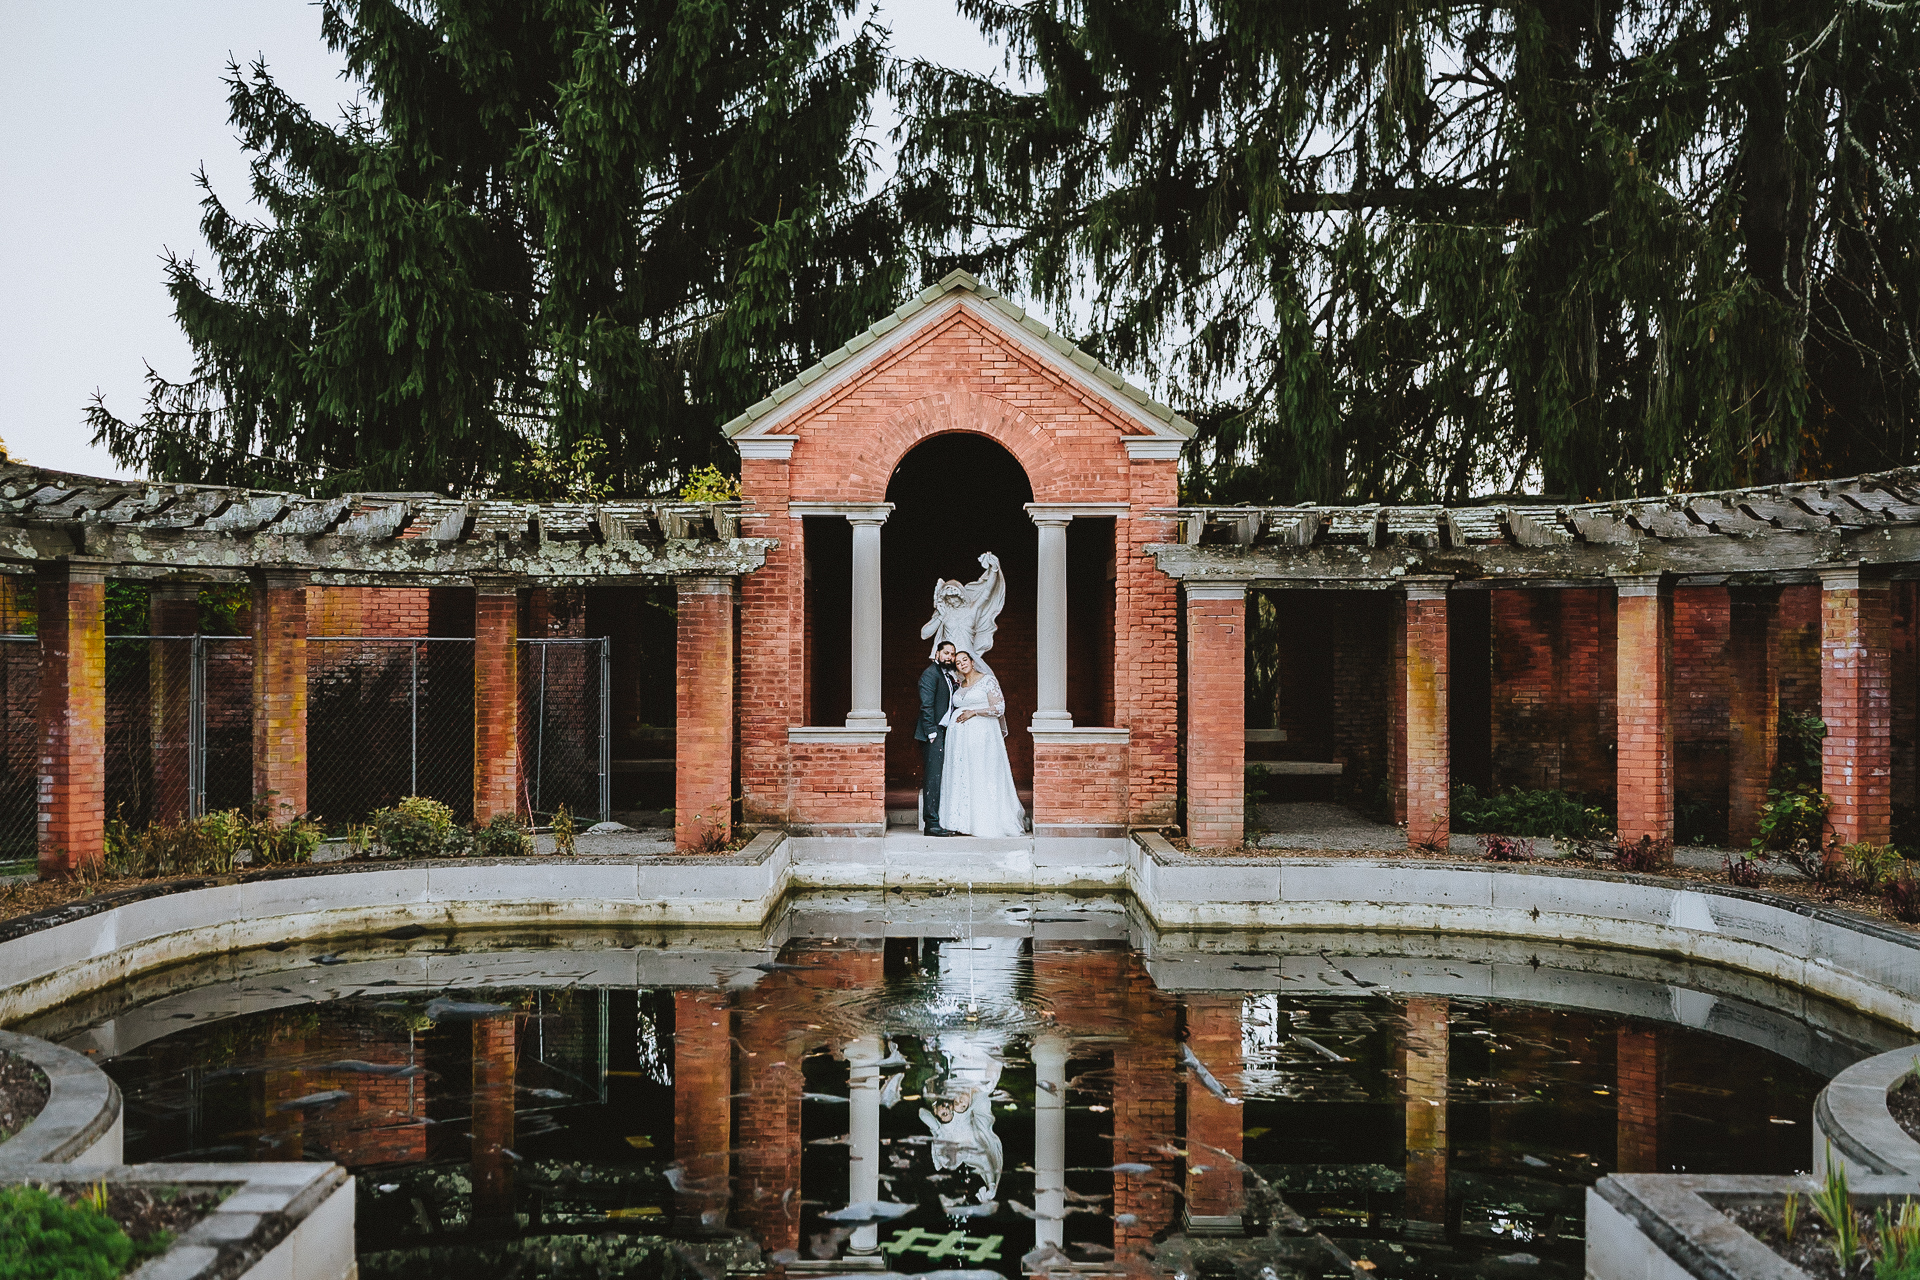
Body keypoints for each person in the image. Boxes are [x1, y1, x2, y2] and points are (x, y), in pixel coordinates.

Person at [937, 651, 1027, 837]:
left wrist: (974, 712)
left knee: (980, 773)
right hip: (959, 741)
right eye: (958, 662)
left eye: (965, 660)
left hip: (982, 737)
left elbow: (999, 707)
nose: (962, 664)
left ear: (972, 661)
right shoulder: (959, 684)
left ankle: (982, 821)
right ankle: (961, 822)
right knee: (962, 775)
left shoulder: (987, 680)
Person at [916, 640, 960, 836]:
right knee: (933, 778)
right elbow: (926, 705)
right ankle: (931, 824)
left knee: (941, 777)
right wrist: (932, 733)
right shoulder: (930, 674)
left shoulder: (947, 676)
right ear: (937, 654)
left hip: (944, 731)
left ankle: (939, 819)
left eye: (952, 654)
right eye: (946, 653)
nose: (949, 657)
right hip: (932, 734)